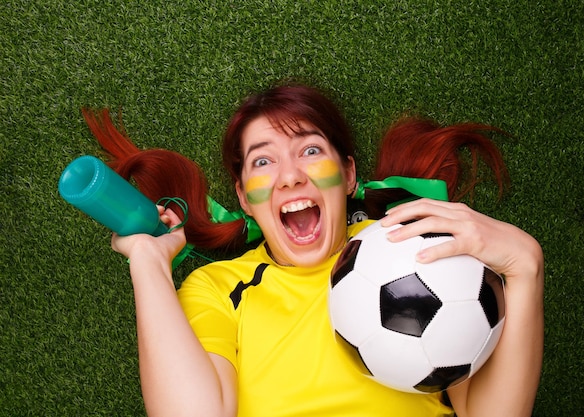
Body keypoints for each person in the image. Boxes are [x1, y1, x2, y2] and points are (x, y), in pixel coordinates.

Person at [82, 83, 544, 417]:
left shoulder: (418, 253)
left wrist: (526, 267)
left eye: (309, 151)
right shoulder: (219, 289)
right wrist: (148, 262)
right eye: (263, 161)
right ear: (245, 198)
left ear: (347, 175)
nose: (289, 176)